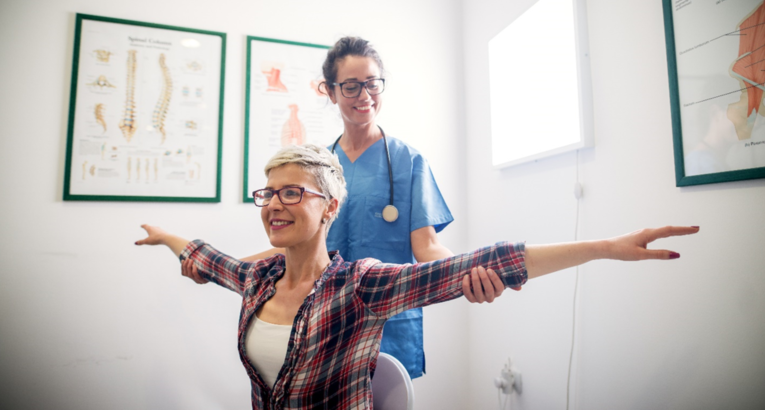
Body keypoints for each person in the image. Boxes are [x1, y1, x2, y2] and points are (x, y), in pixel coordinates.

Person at [137, 143, 699, 410]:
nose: (274, 206)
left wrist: (605, 247)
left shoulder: (361, 284)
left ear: (330, 207)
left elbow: (487, 261)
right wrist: (169, 240)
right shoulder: (258, 280)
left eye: (292, 192)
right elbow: (209, 260)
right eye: (267, 193)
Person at [183, 36, 501, 380]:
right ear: (330, 92)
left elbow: (427, 246)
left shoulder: (409, 161)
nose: (364, 96)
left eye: (372, 84)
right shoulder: (316, 168)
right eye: (350, 86)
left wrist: (470, 273)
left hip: (386, 319)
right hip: (320, 317)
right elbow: (292, 245)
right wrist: (213, 266)